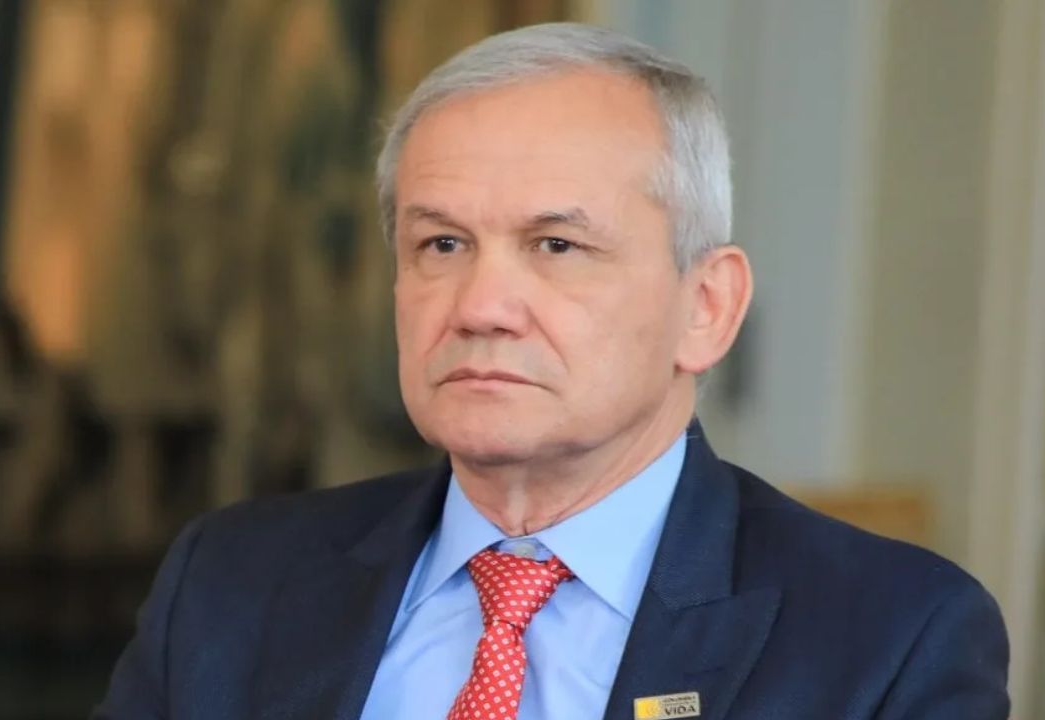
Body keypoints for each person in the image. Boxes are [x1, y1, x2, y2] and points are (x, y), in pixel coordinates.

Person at [94, 23, 1009, 720]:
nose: (481, 305)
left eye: (557, 245)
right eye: (441, 243)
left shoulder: (889, 639)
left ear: (707, 307)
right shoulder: (230, 584)